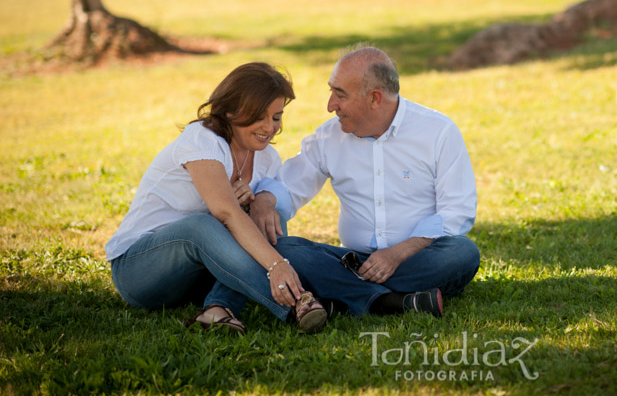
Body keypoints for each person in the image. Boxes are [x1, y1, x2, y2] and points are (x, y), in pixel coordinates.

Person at [248, 46, 480, 317]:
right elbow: (290, 183)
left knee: (462, 254)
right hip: (352, 261)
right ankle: (391, 302)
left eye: (340, 94)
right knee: (286, 250)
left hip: (417, 257)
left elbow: (458, 211)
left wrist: (397, 254)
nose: (330, 105)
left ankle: (343, 295)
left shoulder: (438, 131)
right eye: (331, 91)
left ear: (374, 98)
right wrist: (266, 198)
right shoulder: (329, 137)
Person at [105, 62, 327, 334]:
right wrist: (278, 265)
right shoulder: (202, 139)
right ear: (230, 110)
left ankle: (218, 308)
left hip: (198, 277)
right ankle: (297, 300)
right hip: (140, 269)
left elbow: (244, 216)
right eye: (260, 116)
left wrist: (253, 204)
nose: (269, 128)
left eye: (276, 117)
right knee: (201, 226)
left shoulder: (267, 158)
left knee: (268, 212)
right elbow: (225, 213)